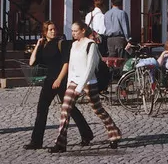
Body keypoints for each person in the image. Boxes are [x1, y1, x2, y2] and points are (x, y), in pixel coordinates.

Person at [49, 21, 120, 152]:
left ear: (83, 30)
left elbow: (90, 68)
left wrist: (80, 87)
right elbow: (72, 66)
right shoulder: (74, 45)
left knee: (98, 109)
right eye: (72, 31)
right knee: (65, 109)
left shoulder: (90, 45)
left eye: (76, 31)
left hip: (88, 82)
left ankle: (114, 134)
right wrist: (70, 83)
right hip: (74, 81)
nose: (73, 33)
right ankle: (60, 143)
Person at [25, 20, 93, 150]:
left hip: (61, 80)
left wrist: (59, 79)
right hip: (49, 80)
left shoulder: (61, 43)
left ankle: (86, 134)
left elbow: (65, 63)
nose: (53, 31)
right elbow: (32, 62)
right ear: (45, 32)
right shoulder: (44, 46)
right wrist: (37, 45)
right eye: (50, 29)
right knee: (41, 110)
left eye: (54, 29)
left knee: (70, 109)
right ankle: (36, 141)